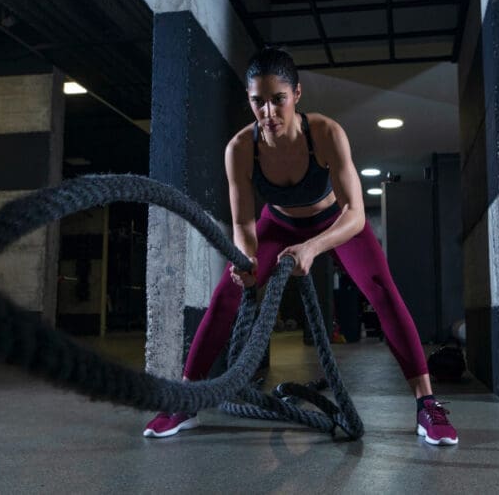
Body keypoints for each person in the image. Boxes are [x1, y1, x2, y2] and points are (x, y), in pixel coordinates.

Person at [142, 47, 458, 446]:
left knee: (382, 291)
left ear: (296, 95)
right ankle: (184, 402)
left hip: (335, 221)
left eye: (278, 99)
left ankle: (427, 404)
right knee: (227, 293)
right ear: (250, 101)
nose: (269, 113)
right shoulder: (240, 148)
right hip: (278, 222)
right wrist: (248, 257)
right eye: (258, 102)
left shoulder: (325, 133)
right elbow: (242, 221)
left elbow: (356, 213)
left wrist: (311, 248)